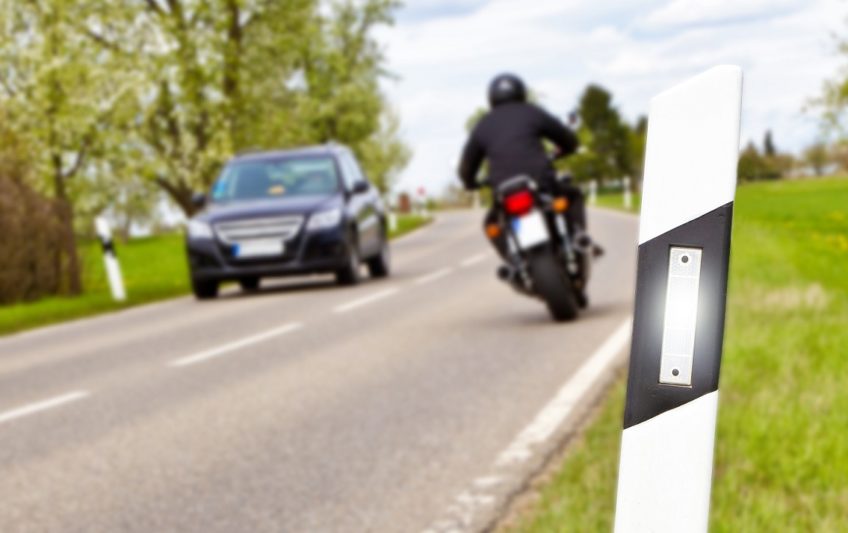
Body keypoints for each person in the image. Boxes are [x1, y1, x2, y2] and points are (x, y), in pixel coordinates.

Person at [457, 73, 599, 256]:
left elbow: (467, 165)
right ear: (521, 92)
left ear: (491, 97)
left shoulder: (482, 125)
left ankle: (513, 262)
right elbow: (565, 137)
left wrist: (469, 182)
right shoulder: (532, 112)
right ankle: (578, 236)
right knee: (574, 195)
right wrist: (568, 147)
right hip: (540, 181)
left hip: (503, 190)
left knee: (491, 225)